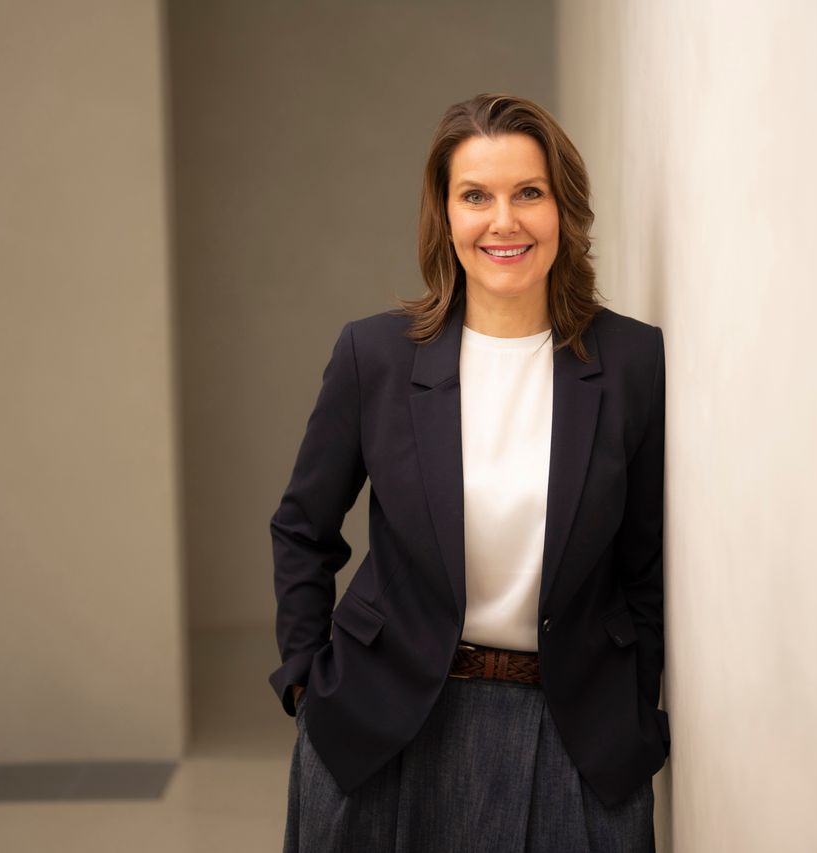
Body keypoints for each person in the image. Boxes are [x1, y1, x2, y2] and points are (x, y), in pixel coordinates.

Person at [269, 93, 668, 852]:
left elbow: (645, 562)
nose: (504, 222)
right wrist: (302, 677)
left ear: (564, 209)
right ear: (445, 215)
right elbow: (302, 526)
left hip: (575, 734)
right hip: (386, 726)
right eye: (475, 196)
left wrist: (633, 698)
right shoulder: (376, 356)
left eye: (529, 193)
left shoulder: (631, 362)